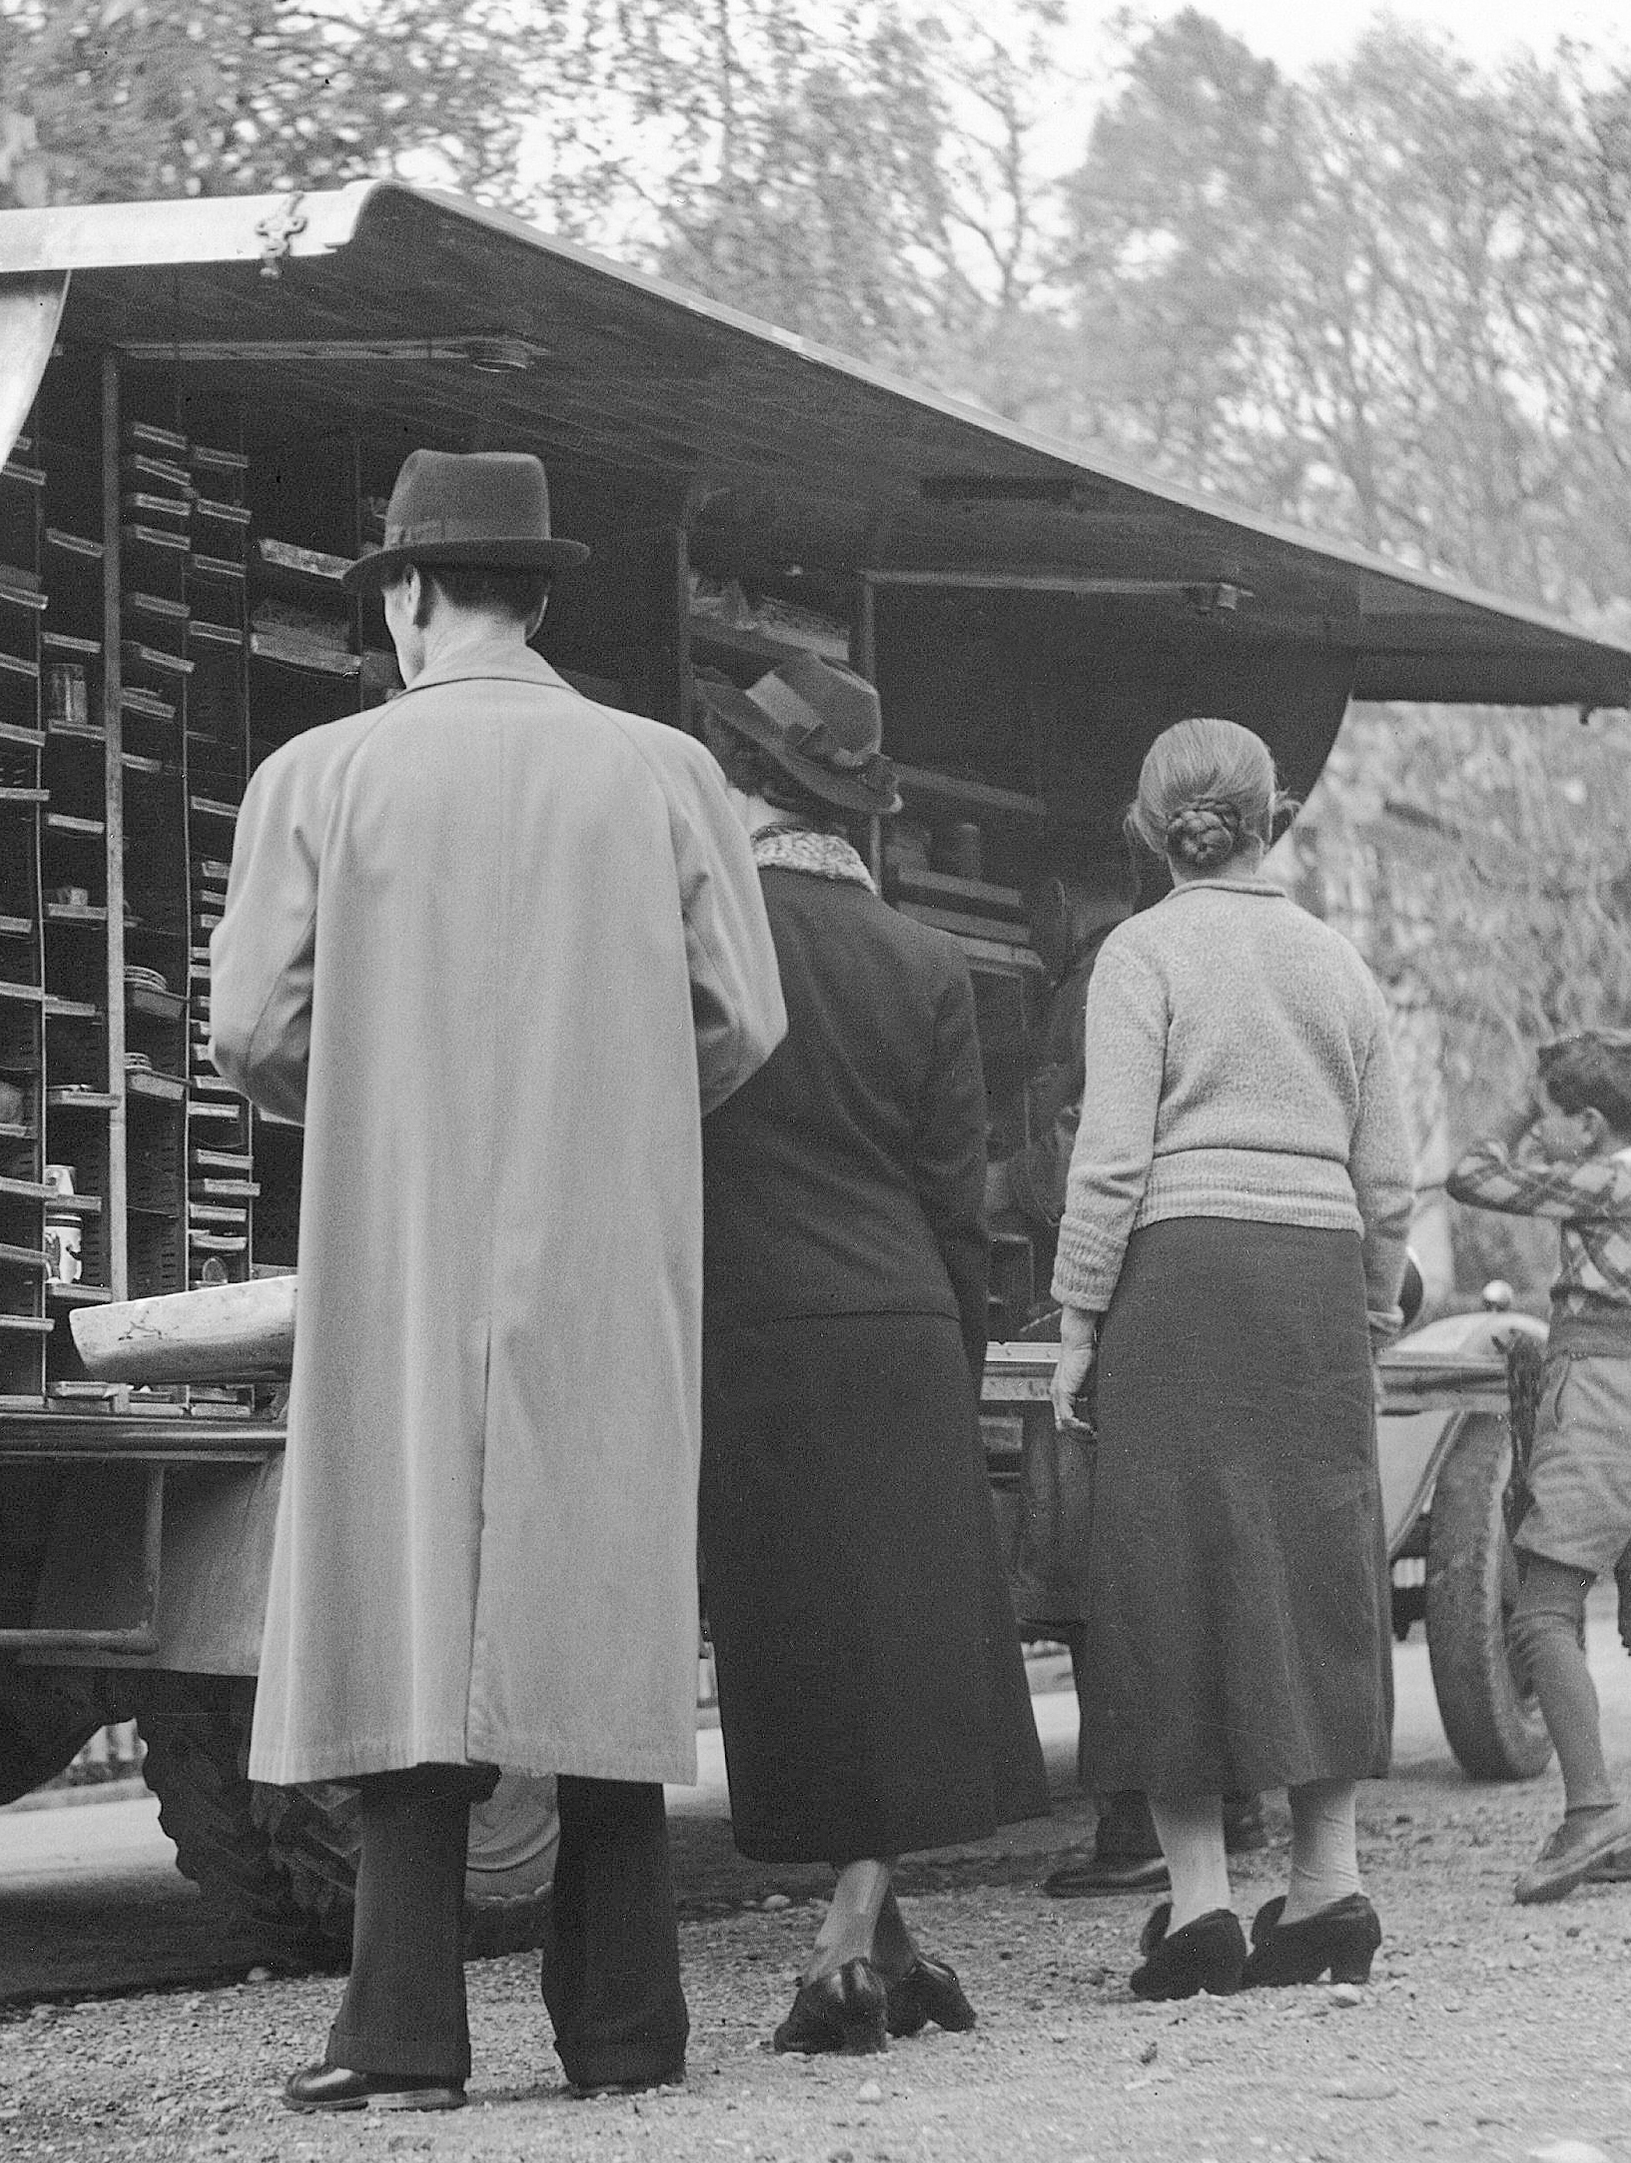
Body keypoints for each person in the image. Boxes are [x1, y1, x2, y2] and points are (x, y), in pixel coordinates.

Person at [208, 449, 787, 2111]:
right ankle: (622, 2034)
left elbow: (250, 1023)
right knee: (590, 1592)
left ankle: (398, 2035)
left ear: (403, 596)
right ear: (533, 595)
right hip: (601, 1230)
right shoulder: (666, 773)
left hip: (400, 1227)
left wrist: (366, 1080)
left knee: (402, 1591)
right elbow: (741, 1018)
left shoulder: (314, 778)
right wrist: (609, 1086)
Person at [691, 662, 1046, 2055]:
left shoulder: (705, 941)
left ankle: (844, 1935)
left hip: (751, 1323)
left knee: (797, 1641)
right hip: (898, 1323)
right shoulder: (925, 960)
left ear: (745, 786)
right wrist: (951, 1345)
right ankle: (879, 1937)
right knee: (898, 1649)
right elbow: (955, 1194)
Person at [1047, 716, 1413, 2001]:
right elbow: (1387, 1176)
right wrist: (1365, 1317)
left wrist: (1078, 1319)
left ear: (1152, 828)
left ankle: (1197, 1907)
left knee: (1167, 1567)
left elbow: (1107, 1157)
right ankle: (1325, 1886)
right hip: (1309, 1278)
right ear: (1278, 813)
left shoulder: (1137, 955)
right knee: (1315, 1564)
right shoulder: (1334, 961)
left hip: (1177, 1277)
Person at [1008, 839, 1271, 1901]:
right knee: (1185, 1559)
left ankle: (1133, 1822)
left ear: (1074, 892)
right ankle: (1236, 1796)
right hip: (1189, 1292)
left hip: (1101, 1291)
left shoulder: (1099, 978)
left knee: (1091, 1566)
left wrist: (990, 1184)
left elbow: (1081, 1162)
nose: (1026, 925)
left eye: (1034, 900)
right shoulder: (1194, 963)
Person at [1445, 1031, 1631, 1900]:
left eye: (1555, 1117)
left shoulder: (1606, 1180)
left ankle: (1591, 1810)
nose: (1541, 1129)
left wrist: (1523, 1101)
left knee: (1542, 1610)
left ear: (1591, 1123)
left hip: (1606, 1398)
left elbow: (1473, 1174)